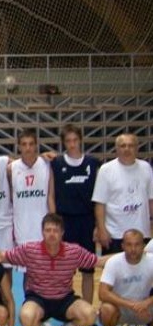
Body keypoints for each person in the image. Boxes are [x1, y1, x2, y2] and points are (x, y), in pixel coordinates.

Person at [0, 213, 103, 326]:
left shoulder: (74, 251)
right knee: (26, 317)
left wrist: (124, 256)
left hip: (65, 299)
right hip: (38, 299)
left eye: (55, 230)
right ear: (42, 232)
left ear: (62, 233)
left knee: (90, 314)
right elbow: (3, 256)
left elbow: (98, 261)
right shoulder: (30, 250)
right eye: (48, 230)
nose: (51, 234)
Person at [50, 124, 100, 302]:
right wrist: (55, 223)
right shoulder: (56, 163)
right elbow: (51, 195)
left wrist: (98, 225)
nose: (72, 144)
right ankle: (65, 308)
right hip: (65, 222)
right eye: (68, 141)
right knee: (65, 271)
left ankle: (87, 307)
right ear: (63, 143)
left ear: (80, 140)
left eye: (75, 140)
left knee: (88, 270)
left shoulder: (92, 163)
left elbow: (99, 198)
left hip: (86, 221)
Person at [92, 133, 153, 255]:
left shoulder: (146, 168)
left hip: (141, 232)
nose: (127, 149)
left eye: (131, 145)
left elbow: (150, 199)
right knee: (114, 266)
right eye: (123, 146)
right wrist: (101, 230)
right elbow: (100, 204)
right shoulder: (106, 170)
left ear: (137, 148)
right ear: (116, 148)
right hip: (115, 234)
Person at [99, 229, 153, 326]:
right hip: (120, 308)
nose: (133, 249)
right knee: (106, 309)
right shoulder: (113, 262)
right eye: (129, 245)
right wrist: (131, 305)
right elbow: (103, 293)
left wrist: (147, 303)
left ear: (143, 246)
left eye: (137, 244)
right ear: (122, 246)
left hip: (144, 308)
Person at [8, 129, 55, 247]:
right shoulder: (11, 168)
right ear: (19, 147)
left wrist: (54, 224)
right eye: (24, 144)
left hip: (42, 229)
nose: (28, 148)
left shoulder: (47, 165)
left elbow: (51, 197)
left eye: (31, 144)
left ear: (36, 146)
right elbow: (10, 199)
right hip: (21, 230)